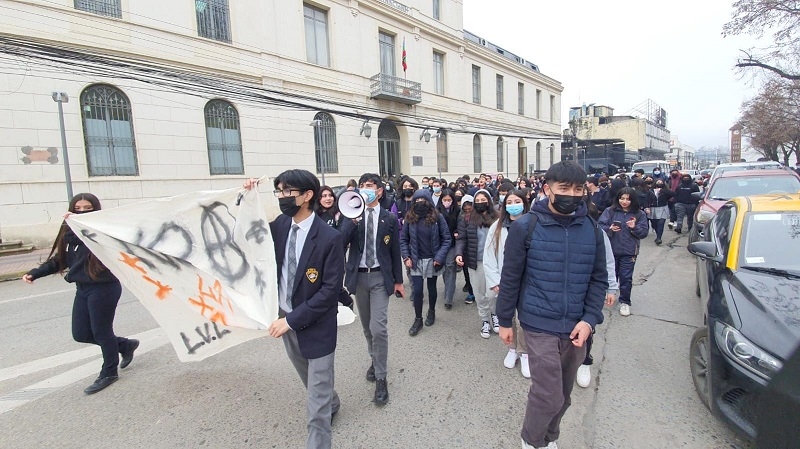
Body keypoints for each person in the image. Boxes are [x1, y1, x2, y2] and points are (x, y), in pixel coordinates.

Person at [496, 161, 608, 449]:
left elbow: (598, 279)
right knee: (548, 394)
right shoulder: (526, 227)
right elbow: (510, 277)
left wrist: (590, 319)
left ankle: (548, 438)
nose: (572, 194)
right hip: (538, 324)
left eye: (578, 189)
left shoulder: (593, 230)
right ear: (547, 189)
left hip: (577, 327)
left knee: (564, 395)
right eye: (564, 188)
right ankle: (531, 442)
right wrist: (505, 320)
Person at [244, 171, 344, 449]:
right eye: (279, 192)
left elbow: (329, 291)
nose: (282, 198)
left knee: (316, 409)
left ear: (307, 196)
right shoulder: (279, 226)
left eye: (288, 192)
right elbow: (246, 231)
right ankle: (331, 401)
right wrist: (247, 197)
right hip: (285, 320)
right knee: (308, 377)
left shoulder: (329, 238)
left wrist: (291, 320)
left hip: (317, 326)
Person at [23, 193, 140, 395]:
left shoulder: (102, 233)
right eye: (78, 208)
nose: (83, 212)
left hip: (104, 288)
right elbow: (61, 260)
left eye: (88, 209)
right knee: (81, 334)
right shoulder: (69, 233)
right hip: (83, 288)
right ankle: (125, 345)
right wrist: (34, 274)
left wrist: (89, 228)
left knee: (102, 332)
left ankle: (109, 372)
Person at [339, 173, 404, 406]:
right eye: (362, 186)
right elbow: (339, 241)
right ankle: (374, 360)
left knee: (379, 328)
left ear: (378, 190)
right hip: (358, 278)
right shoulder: (351, 213)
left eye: (369, 186)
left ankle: (381, 377)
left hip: (379, 278)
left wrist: (398, 281)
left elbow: (395, 251)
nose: (365, 189)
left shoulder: (388, 217)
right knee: (367, 328)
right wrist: (353, 219)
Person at [483, 189, 531, 378]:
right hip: (504, 281)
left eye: (517, 201)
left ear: (525, 203)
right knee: (508, 316)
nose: (513, 205)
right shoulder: (497, 226)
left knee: (524, 319)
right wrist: (495, 281)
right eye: (509, 202)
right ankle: (512, 349)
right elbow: (488, 256)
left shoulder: (532, 224)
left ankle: (525, 352)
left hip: (527, 281)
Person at [576, 195, 620, 388]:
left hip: (587, 289)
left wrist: (611, 288)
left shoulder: (596, 233)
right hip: (560, 291)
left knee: (586, 326)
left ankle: (584, 361)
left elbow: (607, 263)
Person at [400, 189, 451, 335]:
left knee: (432, 288)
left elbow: (447, 238)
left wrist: (439, 257)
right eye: (416, 200)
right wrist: (406, 257)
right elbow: (403, 239)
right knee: (417, 291)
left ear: (428, 201)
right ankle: (418, 319)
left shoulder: (438, 217)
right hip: (416, 259)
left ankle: (432, 311)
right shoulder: (409, 218)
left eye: (422, 200)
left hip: (433, 259)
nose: (419, 203)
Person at [598, 187, 649, 317]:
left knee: (626, 277)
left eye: (628, 199)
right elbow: (599, 227)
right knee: (610, 274)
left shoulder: (640, 214)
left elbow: (643, 233)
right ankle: (609, 295)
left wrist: (634, 228)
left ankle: (625, 301)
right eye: (622, 198)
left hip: (629, 251)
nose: (624, 202)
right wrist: (609, 228)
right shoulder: (610, 211)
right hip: (611, 249)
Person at [455, 189, 498, 338]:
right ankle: (485, 320)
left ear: (489, 201)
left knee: (493, 294)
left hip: (494, 263)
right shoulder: (467, 219)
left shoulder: (498, 218)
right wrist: (459, 253)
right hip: (476, 261)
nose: (480, 203)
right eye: (477, 201)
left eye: (483, 200)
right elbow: (461, 239)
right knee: (480, 294)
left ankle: (494, 314)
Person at [436, 188, 460, 309]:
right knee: (444, 269)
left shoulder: (457, 210)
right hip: (440, 244)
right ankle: (448, 288)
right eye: (444, 200)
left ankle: (449, 298)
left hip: (452, 243)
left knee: (450, 266)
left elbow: (460, 225)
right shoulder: (436, 211)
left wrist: (456, 231)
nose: (447, 202)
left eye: (449, 200)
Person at [648, 179, 675, 245]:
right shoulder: (650, 190)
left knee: (661, 223)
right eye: (658, 182)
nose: (659, 183)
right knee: (654, 224)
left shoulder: (665, 190)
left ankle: (659, 238)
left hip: (663, 208)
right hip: (653, 208)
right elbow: (646, 199)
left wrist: (663, 191)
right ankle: (657, 233)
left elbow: (673, 194)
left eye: (661, 182)